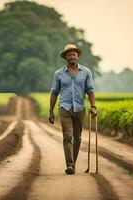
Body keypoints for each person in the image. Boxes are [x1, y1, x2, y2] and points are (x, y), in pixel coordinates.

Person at [48, 44, 97, 175]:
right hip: (64, 108)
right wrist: (51, 111)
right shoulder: (58, 74)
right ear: (65, 57)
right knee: (68, 136)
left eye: (74, 54)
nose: (72, 56)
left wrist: (93, 106)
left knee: (78, 137)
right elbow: (54, 92)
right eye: (69, 54)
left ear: (78, 56)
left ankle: (73, 163)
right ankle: (69, 164)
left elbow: (90, 90)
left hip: (80, 108)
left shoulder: (86, 72)